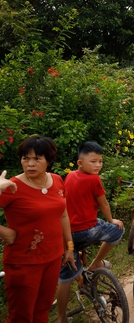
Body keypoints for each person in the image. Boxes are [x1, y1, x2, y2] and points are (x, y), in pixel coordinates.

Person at [0, 136, 76, 322]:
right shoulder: (11, 187)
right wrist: (5, 233)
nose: (30, 164)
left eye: (37, 158)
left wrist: (69, 247)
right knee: (21, 316)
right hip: (24, 263)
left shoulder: (57, 180)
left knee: (42, 310)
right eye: (26, 158)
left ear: (48, 160)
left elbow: (63, 215)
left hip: (52, 257)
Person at [56, 141, 125, 323]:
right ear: (80, 162)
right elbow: (103, 204)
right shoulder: (94, 179)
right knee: (118, 229)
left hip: (67, 233)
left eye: (100, 161)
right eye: (93, 161)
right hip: (89, 230)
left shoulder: (69, 176)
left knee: (65, 277)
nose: (98, 165)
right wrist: (111, 220)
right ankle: (96, 263)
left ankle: (62, 317)